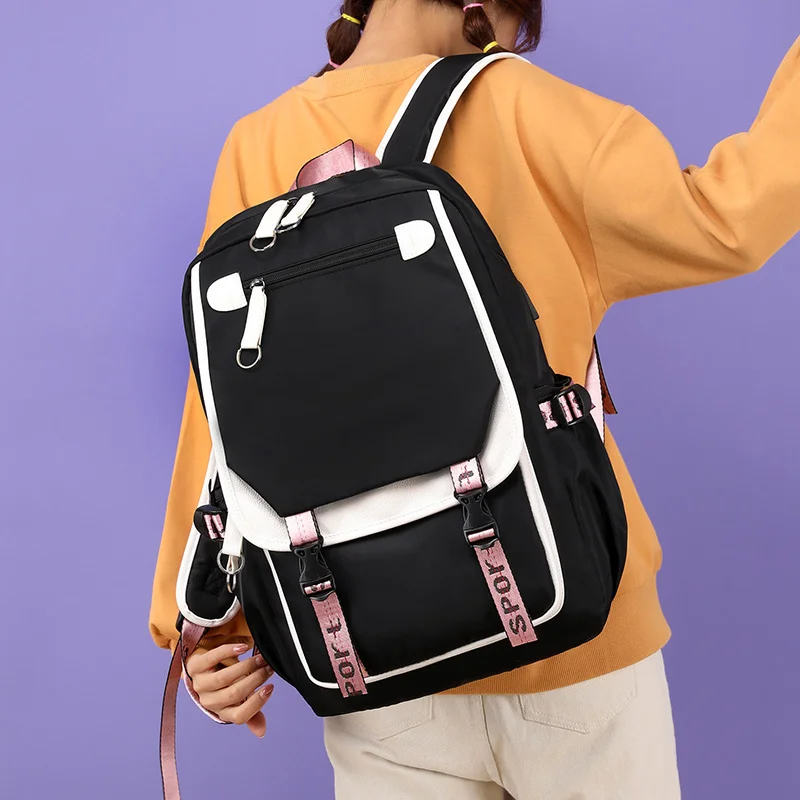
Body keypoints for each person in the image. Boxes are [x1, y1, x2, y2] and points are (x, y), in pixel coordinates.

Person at [149, 1, 800, 797]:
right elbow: (724, 221)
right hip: (570, 623)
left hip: (371, 651)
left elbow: (220, 412)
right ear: (482, 11)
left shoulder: (258, 142)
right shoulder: (521, 103)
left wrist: (207, 627)